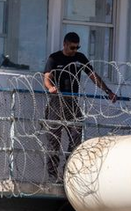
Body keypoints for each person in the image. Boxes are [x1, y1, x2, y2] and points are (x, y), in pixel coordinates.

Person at [42, 32, 117, 178]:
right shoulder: (54, 58)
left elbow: (93, 76)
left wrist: (108, 91)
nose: (74, 51)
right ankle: (52, 176)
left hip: (72, 102)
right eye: (72, 47)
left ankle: (67, 171)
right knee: (54, 140)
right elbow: (46, 78)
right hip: (57, 102)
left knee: (76, 134)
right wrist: (50, 87)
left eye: (77, 47)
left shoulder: (79, 58)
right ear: (65, 44)